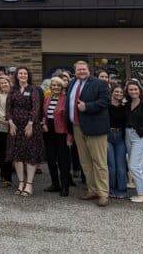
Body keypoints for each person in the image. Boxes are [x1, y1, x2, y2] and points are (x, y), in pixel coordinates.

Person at [67, 60, 110, 207]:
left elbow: (105, 101)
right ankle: (92, 190)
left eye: (84, 69)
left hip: (95, 128)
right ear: (75, 71)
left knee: (99, 162)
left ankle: (103, 193)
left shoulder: (99, 84)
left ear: (89, 70)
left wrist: (87, 106)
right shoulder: (72, 84)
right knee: (85, 162)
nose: (82, 72)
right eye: (79, 70)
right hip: (77, 127)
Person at [6, 67, 44, 197]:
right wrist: (10, 122)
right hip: (15, 127)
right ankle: (21, 182)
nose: (23, 75)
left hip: (30, 127)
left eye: (25, 73)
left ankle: (29, 184)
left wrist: (31, 123)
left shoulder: (33, 89)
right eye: (20, 73)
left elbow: (36, 107)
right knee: (17, 155)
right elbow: (8, 108)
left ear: (28, 76)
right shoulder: (13, 90)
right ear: (17, 76)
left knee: (30, 154)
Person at [41, 77, 72, 197]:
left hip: (62, 134)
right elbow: (43, 114)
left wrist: (70, 137)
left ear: (62, 87)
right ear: (51, 87)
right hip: (49, 133)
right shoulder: (47, 99)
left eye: (58, 85)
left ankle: (65, 186)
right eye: (54, 85)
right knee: (50, 159)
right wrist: (43, 124)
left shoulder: (66, 100)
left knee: (63, 161)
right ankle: (55, 184)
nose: (56, 87)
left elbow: (69, 120)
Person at [0, 76, 13, 187]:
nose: (4, 84)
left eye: (6, 82)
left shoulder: (15, 95)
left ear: (10, 83)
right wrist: (10, 121)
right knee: (2, 154)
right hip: (1, 129)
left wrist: (12, 122)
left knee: (11, 154)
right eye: (2, 83)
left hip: (14, 130)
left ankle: (9, 175)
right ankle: (5, 177)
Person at [107, 85, 127, 199]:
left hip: (120, 137)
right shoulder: (106, 106)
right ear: (112, 92)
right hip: (108, 136)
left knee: (120, 165)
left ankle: (121, 189)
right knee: (111, 165)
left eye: (120, 92)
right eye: (116, 91)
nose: (118, 94)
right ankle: (111, 188)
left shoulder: (124, 107)